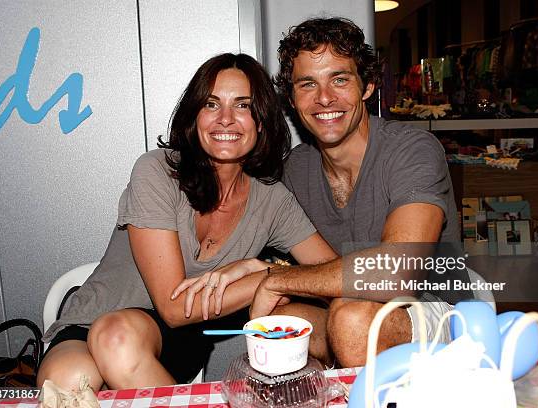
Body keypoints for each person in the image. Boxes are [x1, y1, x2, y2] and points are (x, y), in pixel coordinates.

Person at [38, 53, 336, 391]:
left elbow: (336, 273)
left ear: (262, 122)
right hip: (92, 322)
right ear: (194, 117)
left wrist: (275, 276)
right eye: (211, 105)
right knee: (68, 382)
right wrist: (268, 277)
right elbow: (175, 307)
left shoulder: (272, 199)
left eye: (242, 105)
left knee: (116, 341)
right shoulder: (157, 171)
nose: (225, 119)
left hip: (177, 341)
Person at [249, 17, 472, 367]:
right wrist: (247, 271)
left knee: (352, 318)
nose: (324, 98)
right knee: (281, 321)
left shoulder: (412, 148)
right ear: (292, 99)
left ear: (367, 86)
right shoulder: (295, 168)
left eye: (340, 79)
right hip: (347, 308)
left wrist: (279, 280)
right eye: (307, 84)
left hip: (439, 309)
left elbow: (398, 270)